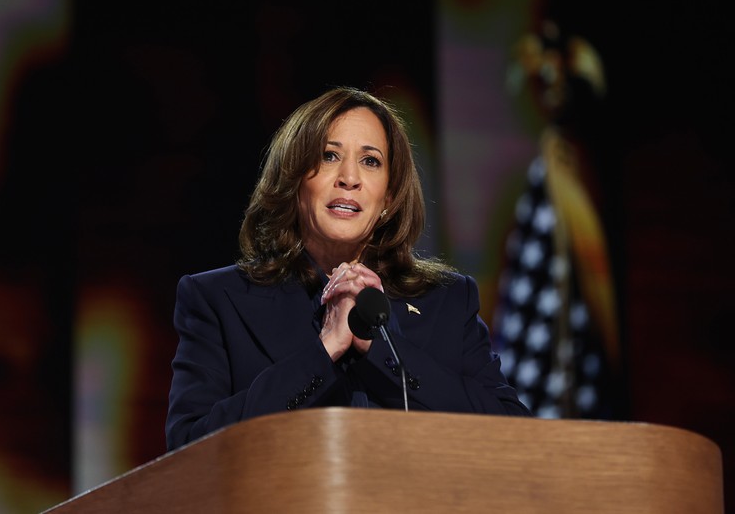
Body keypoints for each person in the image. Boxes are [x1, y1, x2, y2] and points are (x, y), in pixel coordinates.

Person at [166, 86, 531, 451]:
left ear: (388, 198)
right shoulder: (219, 300)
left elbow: (512, 433)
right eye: (328, 156)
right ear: (294, 182)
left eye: (370, 161)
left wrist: (382, 350)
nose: (349, 178)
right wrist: (324, 350)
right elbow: (189, 448)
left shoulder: (448, 301)